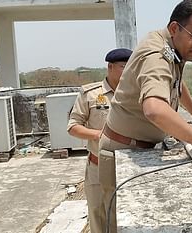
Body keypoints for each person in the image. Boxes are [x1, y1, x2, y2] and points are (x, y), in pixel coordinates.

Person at [99, 0, 192, 232]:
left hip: (137, 147)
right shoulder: (157, 54)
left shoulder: (172, 47)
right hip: (120, 150)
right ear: (175, 28)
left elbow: (176, 85)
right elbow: (154, 108)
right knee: (112, 225)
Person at [66, 48, 132, 233]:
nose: (128, 71)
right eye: (123, 67)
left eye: (131, 67)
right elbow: (73, 126)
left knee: (121, 216)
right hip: (98, 165)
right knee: (97, 213)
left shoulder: (135, 94)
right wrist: (98, 135)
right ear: (110, 67)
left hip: (127, 166)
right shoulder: (91, 94)